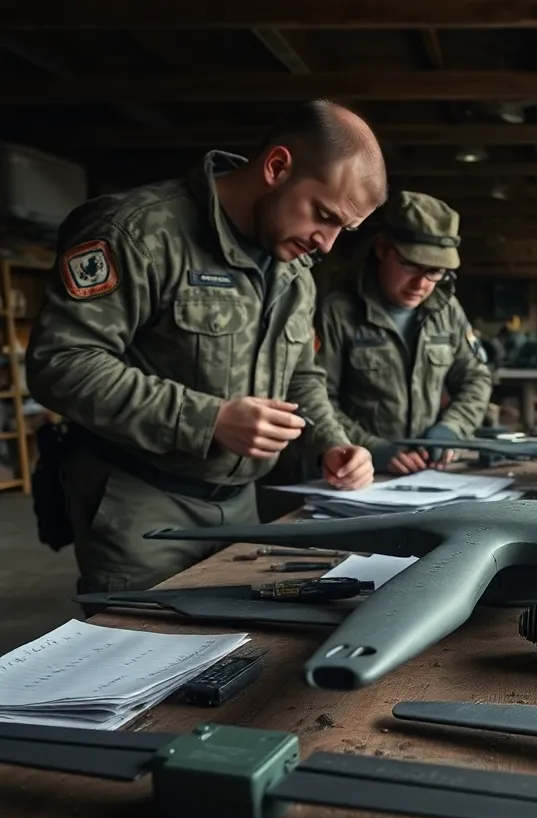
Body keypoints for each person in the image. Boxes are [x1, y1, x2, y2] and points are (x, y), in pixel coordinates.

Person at [26, 99, 386, 595]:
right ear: (277, 167)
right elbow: (61, 363)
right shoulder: (137, 233)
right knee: (143, 659)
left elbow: (302, 376)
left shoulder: (293, 270)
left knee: (235, 659)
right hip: (144, 502)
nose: (326, 244)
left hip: (241, 506)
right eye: (323, 215)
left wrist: (331, 442)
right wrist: (210, 419)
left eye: (341, 229)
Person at [315, 190, 493, 474]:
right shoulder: (338, 312)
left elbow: (476, 378)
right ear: (383, 248)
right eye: (411, 264)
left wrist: (452, 429)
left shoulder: (447, 310)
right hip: (356, 474)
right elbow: (318, 398)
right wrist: (372, 447)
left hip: (429, 472)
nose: (421, 283)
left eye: (435, 271)